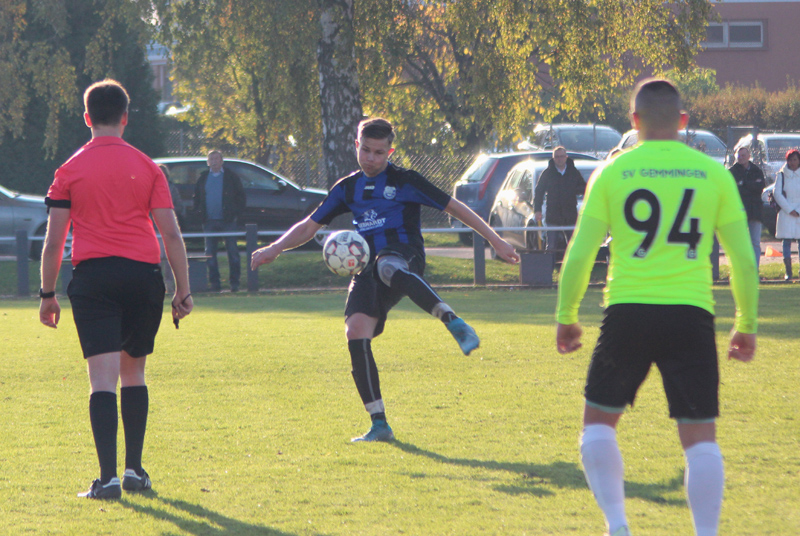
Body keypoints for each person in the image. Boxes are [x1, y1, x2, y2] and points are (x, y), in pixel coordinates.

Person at [555, 79, 758, 536]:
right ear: (684, 123)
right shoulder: (713, 173)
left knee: (598, 426)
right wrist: (746, 322)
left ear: (634, 122)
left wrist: (566, 315)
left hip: (627, 311)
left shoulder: (611, 172)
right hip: (692, 314)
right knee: (700, 438)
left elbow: (581, 250)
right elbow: (743, 259)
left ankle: (618, 526)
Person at [251, 118, 520, 442]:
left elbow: (457, 208)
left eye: (379, 152)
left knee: (387, 266)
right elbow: (310, 226)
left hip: (405, 256)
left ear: (390, 151)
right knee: (356, 332)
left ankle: (454, 321)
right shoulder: (347, 188)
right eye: (365, 150)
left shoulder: (406, 181)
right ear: (356, 146)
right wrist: (276, 247)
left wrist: (496, 239)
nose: (371, 158)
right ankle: (379, 424)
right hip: (367, 267)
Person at [38, 79, 193, 499]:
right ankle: (134, 471)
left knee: (101, 379)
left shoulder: (69, 170)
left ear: (87, 118)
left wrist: (47, 294)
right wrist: (183, 290)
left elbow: (54, 242)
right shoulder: (148, 167)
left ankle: (107, 479)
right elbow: (172, 235)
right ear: (125, 117)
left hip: (94, 279)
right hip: (143, 277)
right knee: (134, 372)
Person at [193, 150, 246, 292]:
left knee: (233, 252)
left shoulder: (231, 177)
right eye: (211, 158)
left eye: (217, 158)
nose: (214, 161)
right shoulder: (203, 178)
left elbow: (241, 197)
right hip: (209, 222)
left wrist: (234, 213)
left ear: (222, 161)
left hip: (228, 221)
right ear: (207, 162)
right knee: (210, 253)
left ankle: (235, 283)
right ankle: (215, 285)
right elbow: (197, 198)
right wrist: (199, 213)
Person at [533, 146, 586, 255]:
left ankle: (572, 270)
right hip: (553, 215)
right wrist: (537, 210)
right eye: (557, 157)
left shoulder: (573, 172)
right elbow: (539, 192)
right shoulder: (547, 173)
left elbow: (584, 188)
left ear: (566, 157)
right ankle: (548, 270)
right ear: (553, 158)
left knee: (573, 246)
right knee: (551, 246)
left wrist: (572, 190)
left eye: (562, 156)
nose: (559, 159)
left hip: (570, 214)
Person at [729, 146, 766, 270]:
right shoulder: (732, 171)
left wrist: (743, 184)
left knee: (755, 242)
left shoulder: (756, 170)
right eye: (739, 156)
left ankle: (754, 270)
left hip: (755, 211)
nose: (741, 158)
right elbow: (734, 189)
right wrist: (750, 186)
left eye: (743, 155)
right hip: (738, 211)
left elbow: (760, 186)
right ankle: (740, 269)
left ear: (749, 156)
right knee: (739, 242)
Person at [772, 148, 800, 280]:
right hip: (786, 213)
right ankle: (788, 271)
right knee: (786, 242)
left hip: (799, 214)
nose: (793, 162)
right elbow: (777, 193)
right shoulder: (781, 174)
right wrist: (789, 209)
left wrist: (798, 210)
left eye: (795, 159)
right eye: (790, 160)